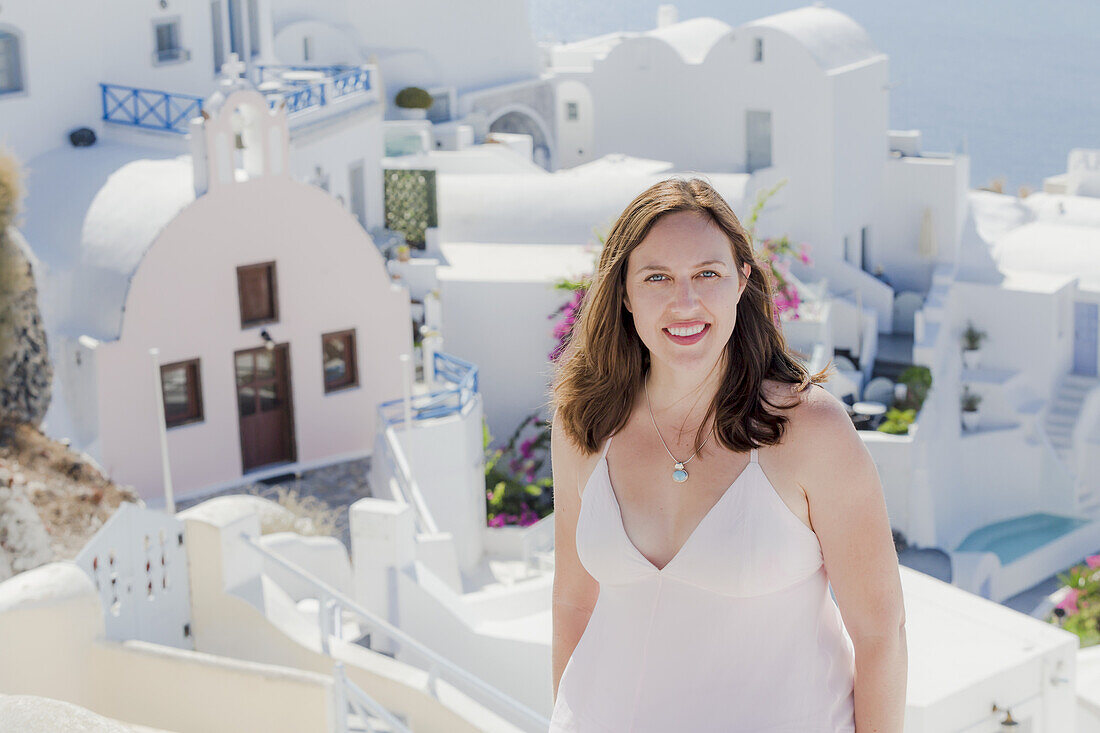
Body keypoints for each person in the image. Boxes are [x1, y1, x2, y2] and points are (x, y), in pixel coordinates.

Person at [547, 177, 906, 732]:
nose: (684, 301)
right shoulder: (584, 426)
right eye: (658, 276)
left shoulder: (810, 431)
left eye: (707, 274)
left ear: (741, 282)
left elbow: (881, 633)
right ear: (624, 292)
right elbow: (572, 604)